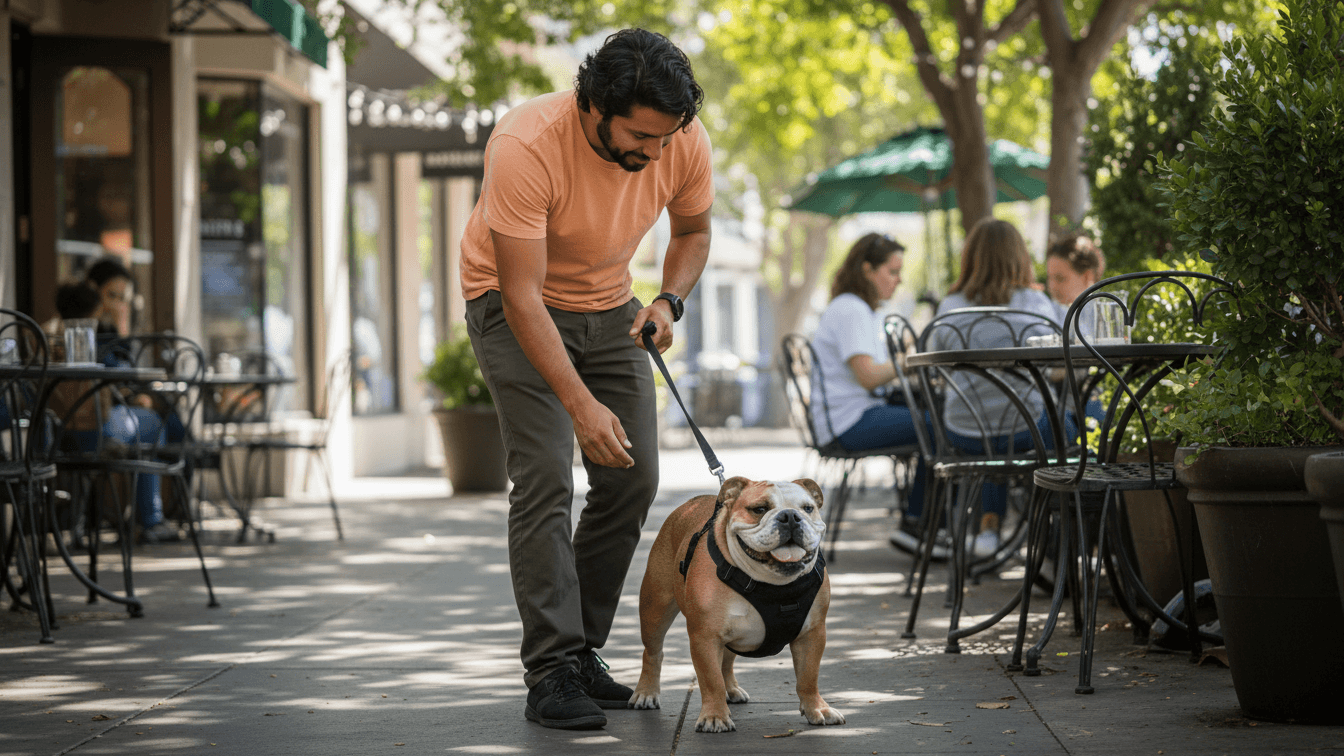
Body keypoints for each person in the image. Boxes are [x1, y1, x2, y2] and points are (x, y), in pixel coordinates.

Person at [459, 29, 713, 730]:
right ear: (595, 103)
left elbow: (692, 229)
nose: (655, 154)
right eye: (640, 135)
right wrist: (580, 406)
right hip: (515, 308)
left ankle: (579, 654)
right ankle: (550, 671)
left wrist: (668, 300)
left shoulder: (680, 137)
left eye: (667, 138)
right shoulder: (526, 144)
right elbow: (521, 294)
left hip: (612, 308)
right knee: (544, 475)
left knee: (633, 476)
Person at [933, 218, 1074, 558]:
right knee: (1070, 432)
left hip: (961, 431)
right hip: (1028, 429)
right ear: (1019, 257)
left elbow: (939, 371)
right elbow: (1053, 363)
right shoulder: (1035, 305)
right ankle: (1053, 540)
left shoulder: (948, 307)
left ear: (971, 257)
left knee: (994, 437)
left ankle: (989, 528)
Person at [809, 233, 937, 557]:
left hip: (845, 415)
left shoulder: (854, 308)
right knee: (938, 425)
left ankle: (927, 522)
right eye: (892, 271)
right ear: (867, 269)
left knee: (936, 416)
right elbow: (867, 377)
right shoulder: (852, 309)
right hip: (848, 421)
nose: (899, 280)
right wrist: (908, 359)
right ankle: (918, 525)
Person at [46, 281, 179, 544]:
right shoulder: (90, 340)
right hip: (95, 431)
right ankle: (149, 519)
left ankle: (88, 520)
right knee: (152, 423)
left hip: (54, 436)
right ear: (95, 310)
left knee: (143, 420)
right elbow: (116, 376)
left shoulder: (44, 335)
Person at [85, 256, 135, 338]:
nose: (117, 306)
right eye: (112, 295)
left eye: (122, 299)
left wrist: (122, 330)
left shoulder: (112, 329)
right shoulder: (77, 328)